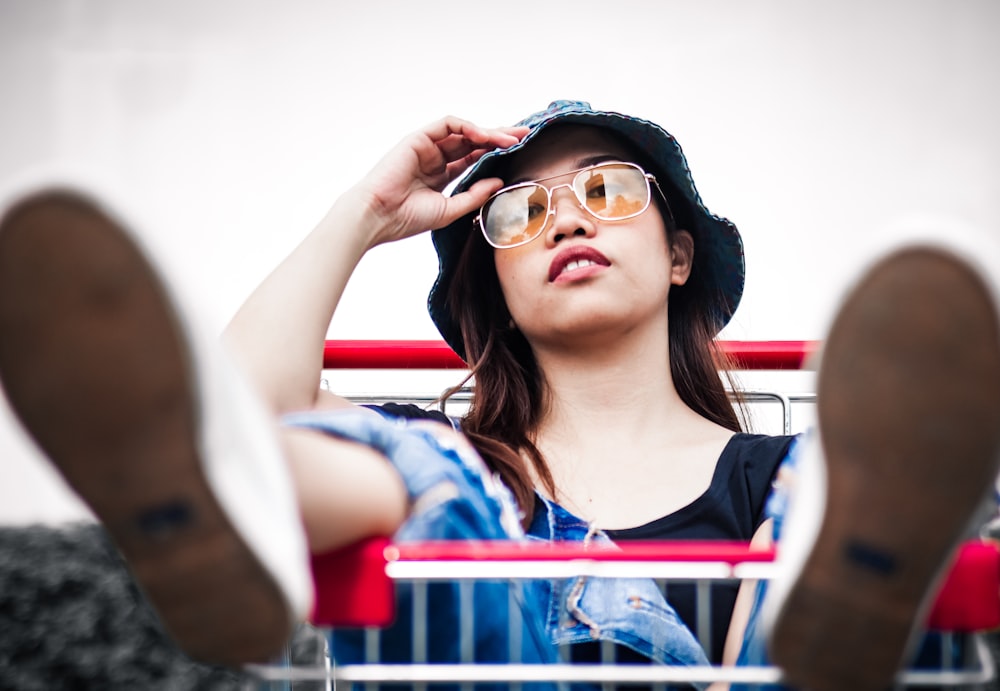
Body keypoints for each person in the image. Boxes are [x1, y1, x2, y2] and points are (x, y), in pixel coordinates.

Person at [0, 100, 998, 691]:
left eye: (606, 191)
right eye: (521, 211)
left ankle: (856, 574)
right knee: (428, 468)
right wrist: (367, 213)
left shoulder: (781, 477)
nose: (565, 220)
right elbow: (265, 411)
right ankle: (192, 482)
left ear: (680, 252)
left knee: (825, 506)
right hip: (479, 625)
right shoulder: (454, 460)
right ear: (496, 291)